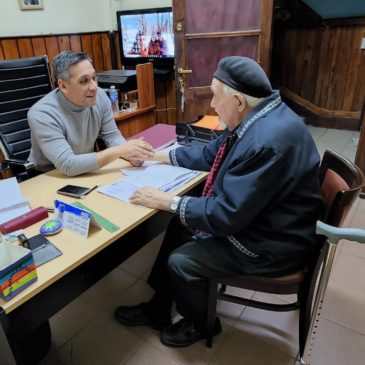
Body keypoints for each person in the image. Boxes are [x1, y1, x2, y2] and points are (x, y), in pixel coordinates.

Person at [114, 56, 323, 347]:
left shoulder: (265, 141)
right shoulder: (262, 114)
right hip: (275, 221)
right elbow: (213, 153)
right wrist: (158, 156)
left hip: (272, 243)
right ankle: (158, 308)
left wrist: (168, 200)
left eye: (215, 94)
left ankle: (202, 324)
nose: (211, 104)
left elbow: (227, 216)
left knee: (181, 260)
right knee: (180, 226)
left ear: (238, 100)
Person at [27, 51, 153, 176]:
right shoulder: (41, 114)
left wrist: (132, 153)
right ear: (63, 86)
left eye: (94, 78)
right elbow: (67, 164)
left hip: (85, 170)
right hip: (48, 175)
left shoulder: (100, 96)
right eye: (84, 81)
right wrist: (121, 150)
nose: (93, 87)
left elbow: (112, 136)